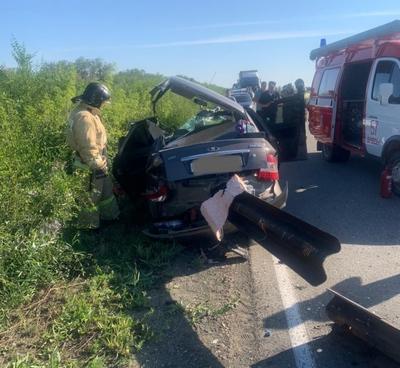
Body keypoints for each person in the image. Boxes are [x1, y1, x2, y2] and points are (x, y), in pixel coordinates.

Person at [66, 82, 120, 229]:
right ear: (95, 100)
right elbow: (87, 146)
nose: (104, 105)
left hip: (96, 161)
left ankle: (109, 217)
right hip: (89, 165)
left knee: (105, 193)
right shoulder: (85, 118)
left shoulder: (86, 111)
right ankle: (88, 228)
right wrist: (97, 166)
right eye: (103, 102)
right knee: (90, 198)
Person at [294, 78, 308, 160]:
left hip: (300, 115)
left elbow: (306, 103)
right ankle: (301, 153)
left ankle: (301, 153)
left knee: (301, 133)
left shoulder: (304, 93)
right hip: (298, 115)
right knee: (300, 133)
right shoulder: (300, 93)